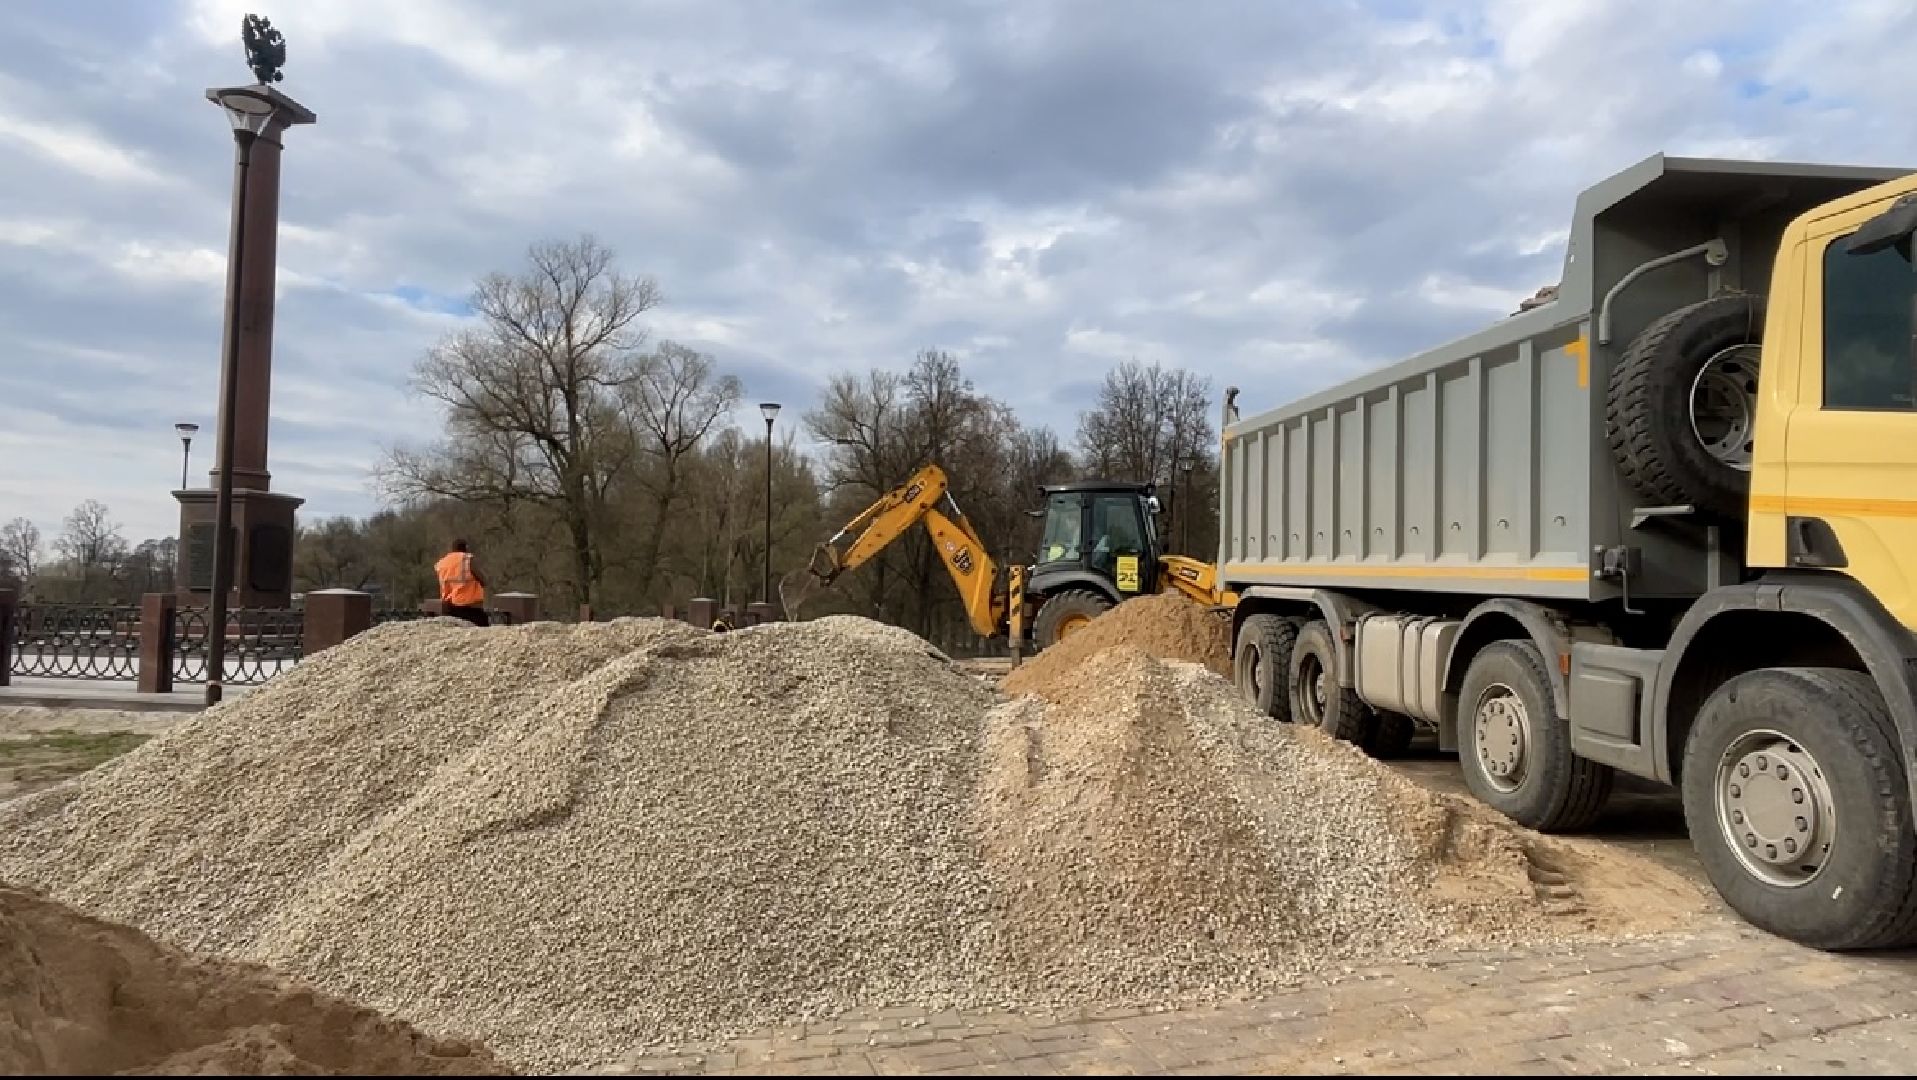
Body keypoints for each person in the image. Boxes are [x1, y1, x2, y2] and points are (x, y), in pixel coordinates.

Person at [434, 539, 489, 627]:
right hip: (470, 606)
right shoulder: (467, 559)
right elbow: (484, 580)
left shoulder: (441, 563)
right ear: (466, 547)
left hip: (449, 607)